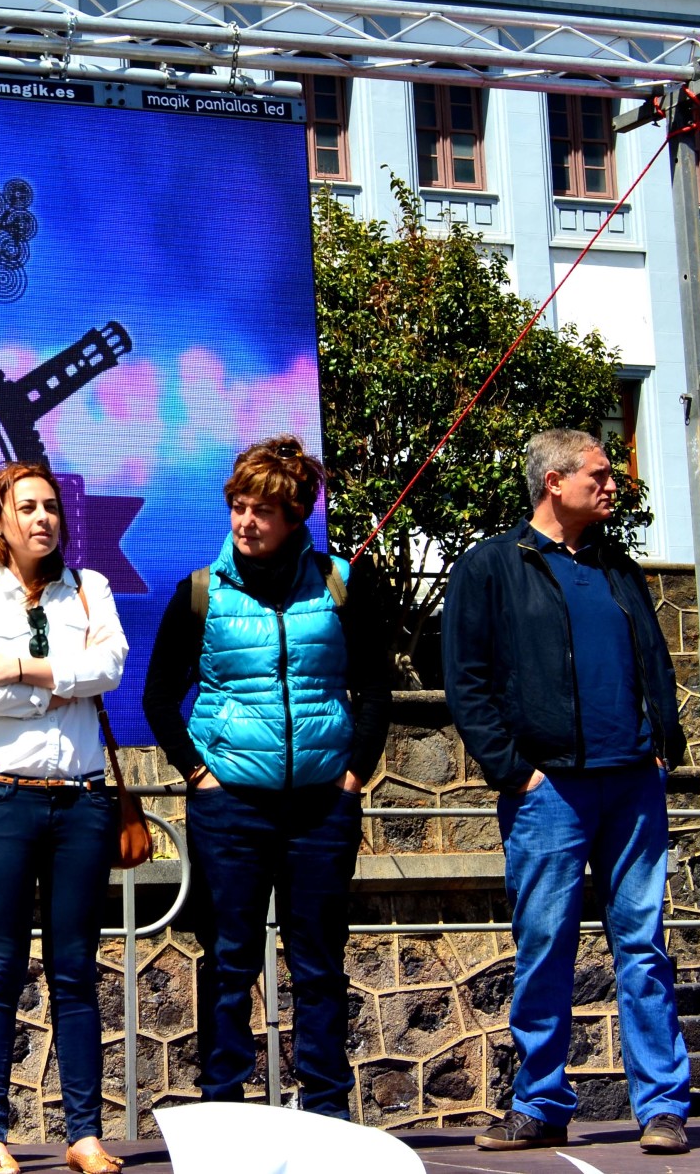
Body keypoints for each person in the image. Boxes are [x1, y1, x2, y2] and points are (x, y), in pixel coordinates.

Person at [442, 429, 692, 1156]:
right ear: (554, 481)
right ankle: (540, 1103)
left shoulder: (619, 569)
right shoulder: (491, 566)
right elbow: (467, 679)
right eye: (601, 475)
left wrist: (661, 744)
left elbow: (655, 658)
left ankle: (663, 1108)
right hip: (548, 790)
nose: (614, 486)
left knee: (642, 946)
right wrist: (514, 770)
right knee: (545, 945)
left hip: (633, 784)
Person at [140, 434, 390, 1121]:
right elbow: (160, 697)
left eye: (263, 511)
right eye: (239, 507)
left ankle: (329, 1113)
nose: (246, 522)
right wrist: (199, 773)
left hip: (321, 807)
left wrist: (352, 776)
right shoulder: (200, 592)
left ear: (295, 517)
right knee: (228, 962)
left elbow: (375, 686)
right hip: (231, 809)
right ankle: (223, 1109)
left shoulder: (341, 583)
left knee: (319, 966)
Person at [0, 462, 128, 1174]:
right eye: (26, 508)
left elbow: (110, 666)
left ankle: (84, 1134)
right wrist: (63, 681)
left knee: (76, 970)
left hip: (81, 802)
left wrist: (22, 671)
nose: (43, 518)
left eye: (50, 506)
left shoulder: (91, 589)